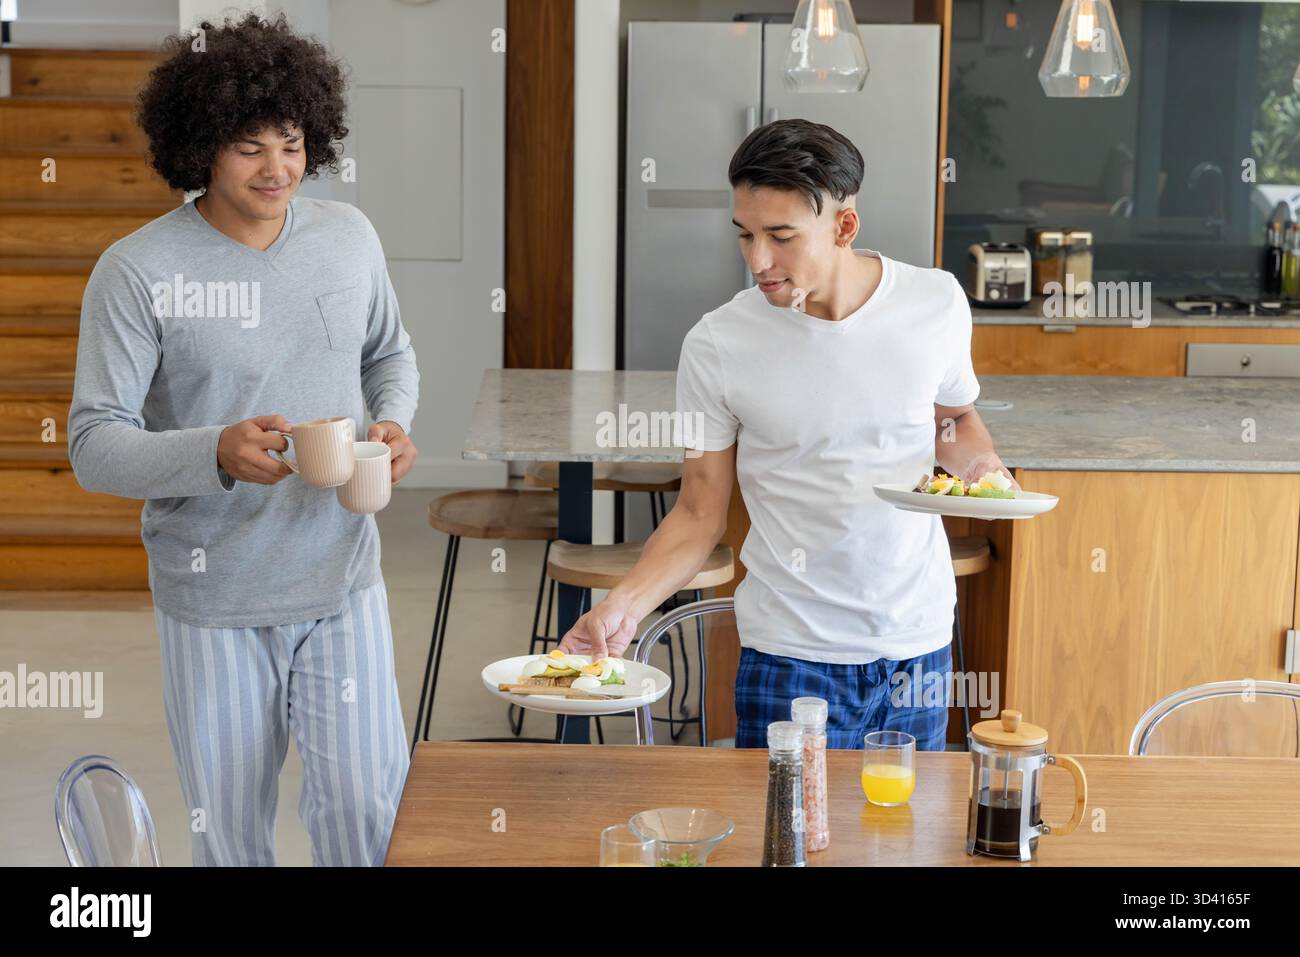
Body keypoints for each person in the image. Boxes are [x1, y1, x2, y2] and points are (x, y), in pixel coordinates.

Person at [67, 13, 419, 865]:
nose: (277, 168)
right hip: (215, 596)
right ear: (200, 149)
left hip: (342, 578)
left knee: (369, 816)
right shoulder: (137, 271)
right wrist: (213, 451)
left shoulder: (348, 238)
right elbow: (92, 443)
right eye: (249, 146)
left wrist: (394, 420)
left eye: (292, 142)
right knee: (228, 836)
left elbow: (390, 353)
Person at [559, 118, 1017, 750]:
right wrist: (623, 608)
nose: (757, 261)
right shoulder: (717, 345)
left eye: (780, 236)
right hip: (790, 652)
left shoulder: (934, 303)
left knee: (904, 843)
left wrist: (982, 471)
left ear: (844, 226)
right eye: (745, 235)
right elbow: (697, 513)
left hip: (918, 643)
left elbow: (955, 419)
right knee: (785, 841)